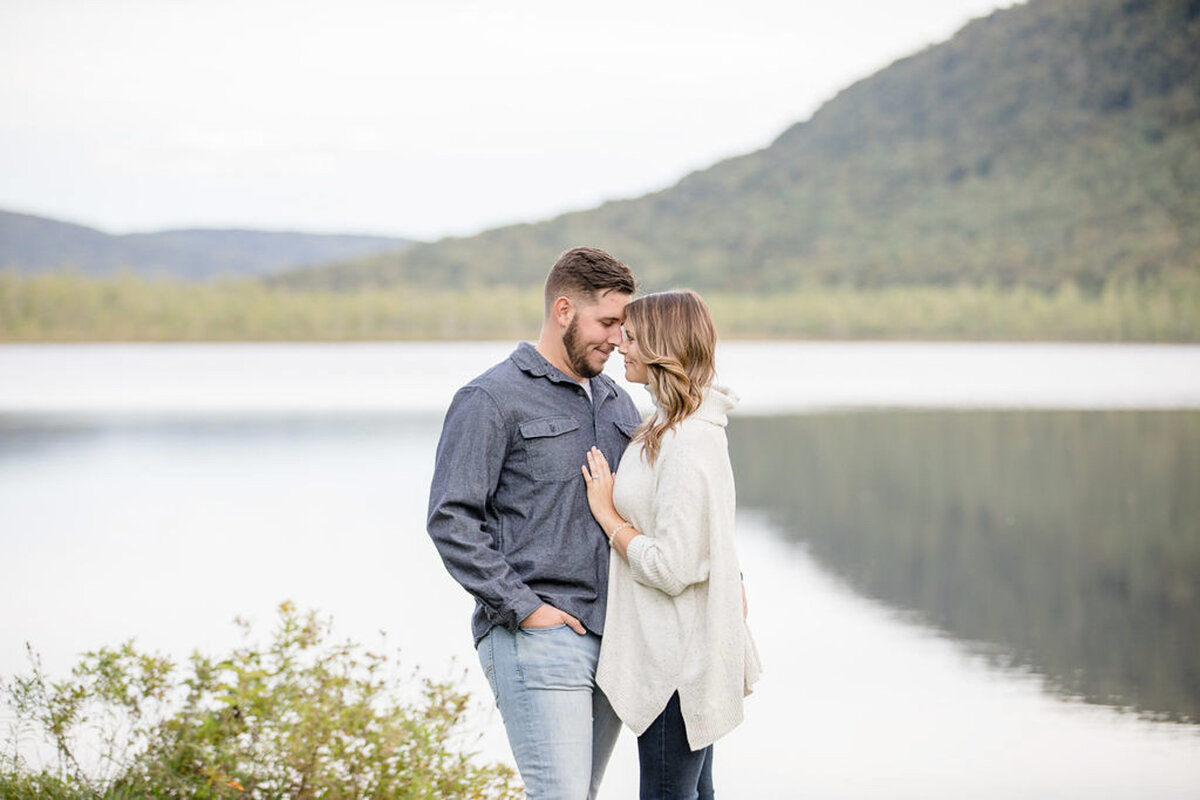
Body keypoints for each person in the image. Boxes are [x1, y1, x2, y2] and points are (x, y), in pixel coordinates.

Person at [426, 246, 642, 800]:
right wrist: (527, 610)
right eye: (608, 322)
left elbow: (651, 505)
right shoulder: (490, 398)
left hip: (614, 639)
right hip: (538, 636)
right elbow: (452, 519)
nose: (618, 338)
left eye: (623, 324)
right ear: (564, 310)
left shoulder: (619, 403)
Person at [581, 290, 762, 800]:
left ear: (663, 346)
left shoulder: (688, 441)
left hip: (675, 664)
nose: (620, 345)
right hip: (677, 648)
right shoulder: (669, 428)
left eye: (633, 338)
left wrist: (608, 515)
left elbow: (672, 566)